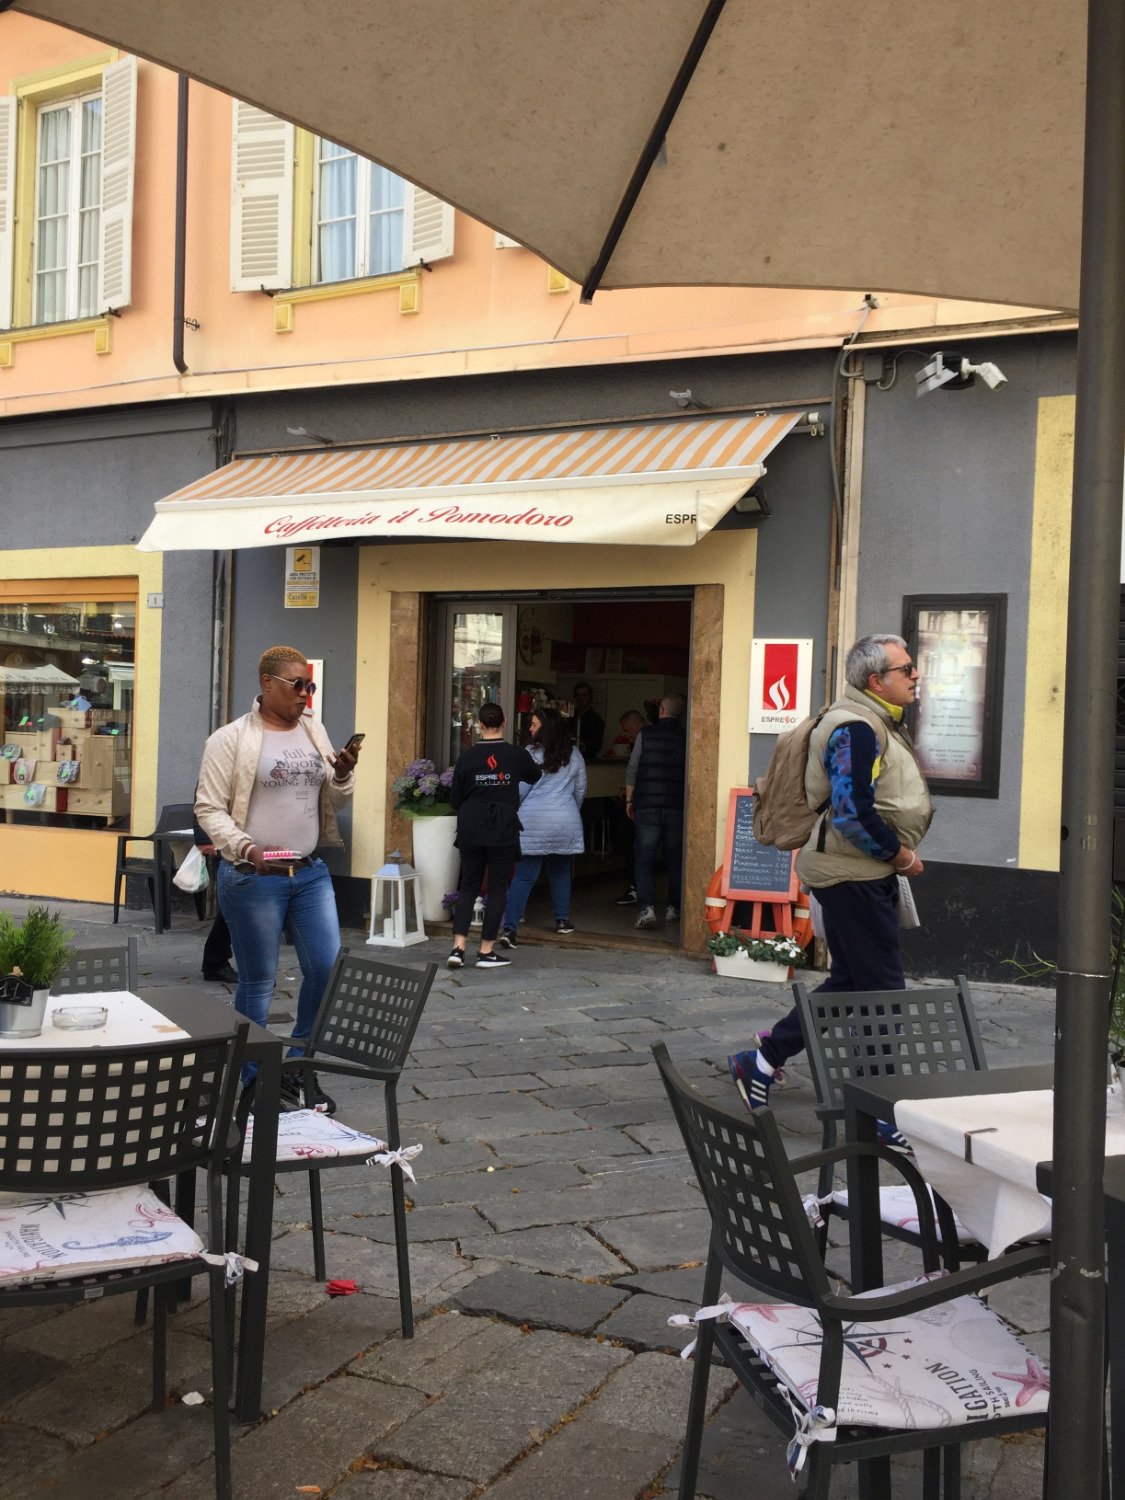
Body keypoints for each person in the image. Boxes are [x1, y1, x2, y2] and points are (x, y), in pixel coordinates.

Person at [727, 633, 932, 1142]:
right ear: (875, 680)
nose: (915, 675)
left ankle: (762, 1057)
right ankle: (880, 1114)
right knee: (883, 993)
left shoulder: (872, 721)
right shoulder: (856, 728)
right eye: (905, 669)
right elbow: (851, 811)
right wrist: (900, 855)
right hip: (852, 875)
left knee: (855, 984)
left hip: (856, 874)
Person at [195, 644, 359, 1110]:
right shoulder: (230, 739)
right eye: (297, 685)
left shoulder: (313, 731)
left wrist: (343, 776)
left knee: (326, 969)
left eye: (311, 686)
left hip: (309, 871)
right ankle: (250, 1079)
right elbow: (207, 807)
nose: (306, 694)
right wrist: (246, 847)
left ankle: (295, 1069)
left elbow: (334, 800)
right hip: (253, 877)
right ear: (267, 684)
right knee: (259, 979)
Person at [448, 700, 540, 968]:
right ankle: (486, 951)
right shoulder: (516, 754)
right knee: (499, 887)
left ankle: (457, 948)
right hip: (502, 826)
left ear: (479, 725)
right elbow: (535, 776)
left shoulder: (466, 757)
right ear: (504, 723)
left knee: (468, 886)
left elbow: (455, 800)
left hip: (471, 825)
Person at [497, 707, 587, 947]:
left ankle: (510, 929)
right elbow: (580, 790)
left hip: (533, 820)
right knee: (560, 871)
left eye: (534, 724)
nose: (530, 728)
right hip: (565, 820)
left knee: (524, 876)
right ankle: (562, 921)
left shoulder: (530, 753)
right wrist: (568, 809)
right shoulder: (574, 754)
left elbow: (521, 790)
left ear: (545, 728)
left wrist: (516, 812)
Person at [625, 694, 686, 929]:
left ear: (661, 710)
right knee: (674, 858)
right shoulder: (685, 736)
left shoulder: (645, 734)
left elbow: (633, 768)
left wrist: (629, 800)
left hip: (647, 806)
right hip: (676, 806)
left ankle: (647, 908)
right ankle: (674, 906)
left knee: (644, 858)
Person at [193, 813, 237, 984]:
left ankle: (215, 961)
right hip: (229, 845)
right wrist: (204, 839)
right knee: (232, 908)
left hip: (243, 843)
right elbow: (203, 803)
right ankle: (215, 962)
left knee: (232, 909)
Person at [611, 709, 647, 906]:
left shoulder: (643, 738)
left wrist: (629, 797)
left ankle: (636, 888)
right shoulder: (652, 736)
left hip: (641, 801)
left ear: (635, 725)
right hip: (654, 800)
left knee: (628, 841)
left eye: (627, 730)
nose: (627, 735)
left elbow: (633, 770)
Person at [569, 682, 605, 761]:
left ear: (590, 697)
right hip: (569, 759)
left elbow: (596, 746)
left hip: (588, 760)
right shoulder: (570, 717)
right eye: (578, 695)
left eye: (584, 695)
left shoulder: (596, 720)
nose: (580, 698)